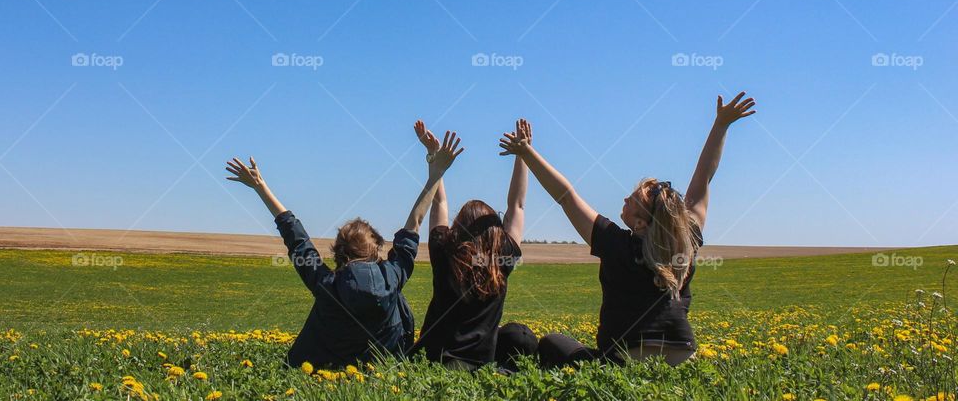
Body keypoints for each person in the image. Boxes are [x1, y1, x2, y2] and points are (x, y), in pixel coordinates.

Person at [499, 92, 756, 367]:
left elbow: (565, 195)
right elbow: (704, 176)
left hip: (623, 362)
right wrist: (721, 126)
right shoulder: (685, 242)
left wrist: (526, 152)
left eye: (631, 200)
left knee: (552, 343)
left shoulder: (617, 244)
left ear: (640, 224)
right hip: (684, 361)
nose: (624, 199)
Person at [225, 130, 464, 368]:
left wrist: (260, 187)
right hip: (385, 373)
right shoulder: (392, 276)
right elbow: (415, 222)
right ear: (377, 249)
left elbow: (296, 238)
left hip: (324, 373)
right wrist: (437, 172)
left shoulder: (327, 284)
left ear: (340, 252)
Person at [411, 119, 539, 371]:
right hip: (478, 366)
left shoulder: (444, 251)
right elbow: (518, 205)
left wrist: (434, 157)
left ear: (457, 229)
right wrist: (523, 154)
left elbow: (439, 204)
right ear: (497, 235)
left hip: (431, 361)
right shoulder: (502, 260)